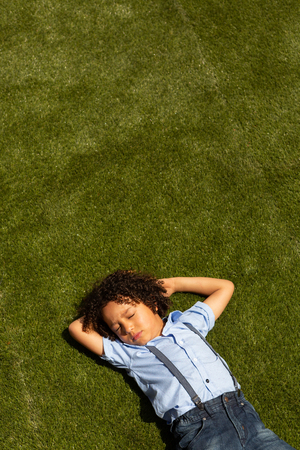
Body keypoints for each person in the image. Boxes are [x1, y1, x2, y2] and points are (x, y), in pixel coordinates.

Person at [69, 270, 295, 450]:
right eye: (116, 327)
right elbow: (76, 327)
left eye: (130, 314)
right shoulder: (129, 354)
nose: (127, 327)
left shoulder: (188, 322)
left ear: (153, 303)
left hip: (245, 416)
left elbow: (224, 287)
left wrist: (174, 284)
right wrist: (99, 309)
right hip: (200, 429)